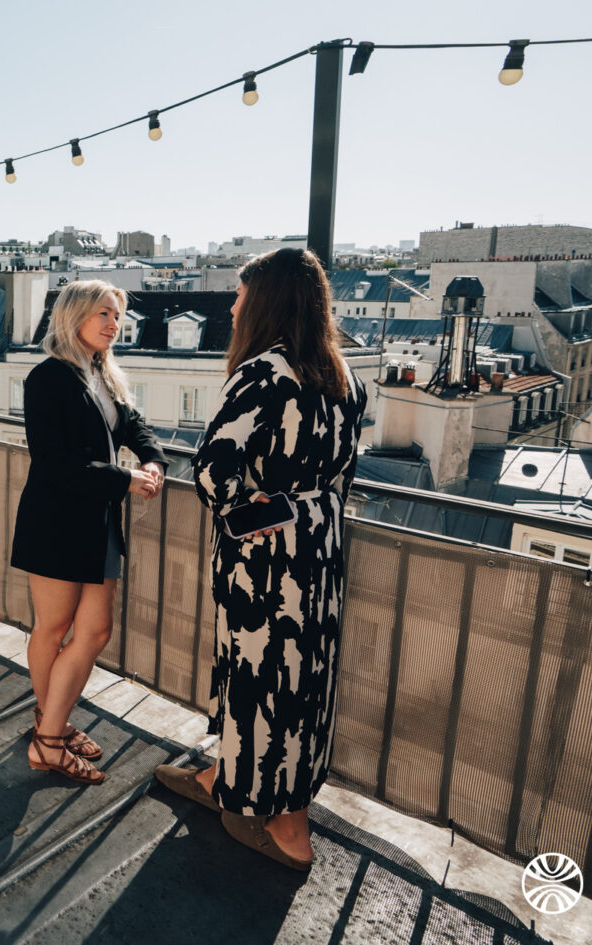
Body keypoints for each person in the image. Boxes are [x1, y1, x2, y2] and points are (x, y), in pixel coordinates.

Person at [154, 247, 366, 872]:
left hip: (267, 562)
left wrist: (259, 510)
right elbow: (344, 471)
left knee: (261, 675)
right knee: (301, 681)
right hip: (320, 553)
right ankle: (229, 776)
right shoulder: (340, 375)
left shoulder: (264, 374)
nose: (234, 306)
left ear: (266, 302)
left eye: (243, 296)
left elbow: (214, 473)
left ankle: (281, 824)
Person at [10, 280, 168, 784]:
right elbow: (54, 462)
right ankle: (50, 739)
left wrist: (151, 458)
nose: (113, 324)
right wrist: (125, 478)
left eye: (117, 316)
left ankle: (48, 721)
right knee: (53, 629)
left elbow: (133, 424)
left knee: (95, 631)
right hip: (57, 520)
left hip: (96, 519)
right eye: (103, 313)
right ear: (73, 315)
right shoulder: (47, 379)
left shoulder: (102, 373)